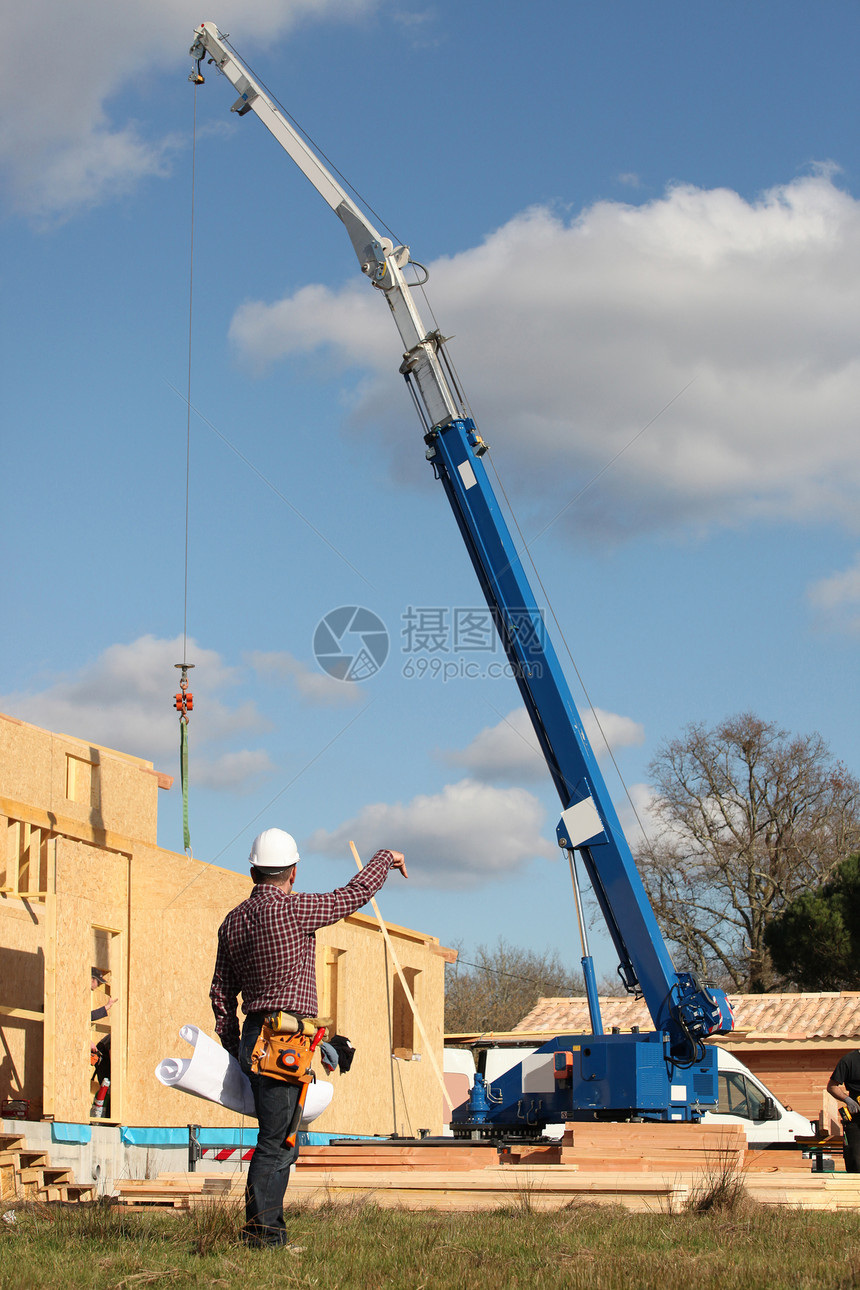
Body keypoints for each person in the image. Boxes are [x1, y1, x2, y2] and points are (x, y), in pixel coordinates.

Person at [210, 828, 408, 1249]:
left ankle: (266, 1231)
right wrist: (384, 857)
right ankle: (264, 1237)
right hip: (283, 1041)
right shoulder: (295, 911)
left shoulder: (232, 922)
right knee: (277, 1142)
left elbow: (221, 993)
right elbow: (351, 895)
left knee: (278, 1136)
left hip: (255, 1039)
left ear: (252, 870)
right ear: (293, 872)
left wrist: (232, 1046)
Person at [827, 1052, 860, 1173]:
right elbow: (832, 1086)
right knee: (856, 1161)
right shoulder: (849, 1060)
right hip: (856, 1119)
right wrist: (847, 1099)